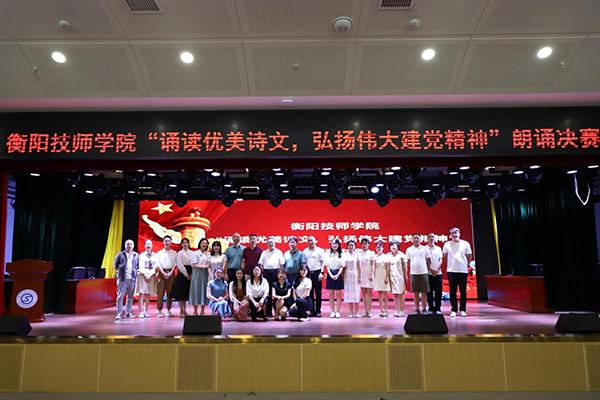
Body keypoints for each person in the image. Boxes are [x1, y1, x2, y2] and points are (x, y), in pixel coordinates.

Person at [443, 227, 473, 318]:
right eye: (453, 233)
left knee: (463, 291)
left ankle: (463, 310)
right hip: (451, 271)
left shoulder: (465, 244)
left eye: (456, 233)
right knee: (452, 291)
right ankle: (454, 310)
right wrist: (450, 265)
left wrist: (466, 265)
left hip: (462, 271)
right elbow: (445, 257)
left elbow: (469, 256)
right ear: (450, 235)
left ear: (459, 234)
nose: (454, 235)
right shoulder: (447, 244)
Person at [257, 237, 284, 316]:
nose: (271, 244)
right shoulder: (264, 253)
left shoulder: (279, 252)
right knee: (267, 292)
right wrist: (261, 275)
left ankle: (277, 311)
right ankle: (268, 312)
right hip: (266, 273)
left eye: (272, 242)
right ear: (267, 244)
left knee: (277, 292)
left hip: (276, 273)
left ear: (275, 243)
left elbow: (282, 265)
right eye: (269, 242)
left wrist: (281, 274)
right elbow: (261, 265)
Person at [406, 233, 431, 315]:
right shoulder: (409, 249)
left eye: (417, 238)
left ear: (420, 239)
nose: (416, 239)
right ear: (412, 239)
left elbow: (429, 261)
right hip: (413, 273)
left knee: (424, 292)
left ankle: (424, 309)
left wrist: (425, 268)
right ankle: (416, 309)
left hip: (423, 273)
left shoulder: (425, 249)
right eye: (414, 238)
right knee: (415, 293)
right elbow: (408, 262)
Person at [113, 239, 139, 319]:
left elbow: (138, 266)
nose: (129, 246)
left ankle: (128, 313)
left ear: (133, 246)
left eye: (131, 244)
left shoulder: (136, 255)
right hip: (122, 279)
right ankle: (119, 313)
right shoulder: (120, 255)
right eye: (127, 244)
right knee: (120, 297)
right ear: (125, 245)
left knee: (130, 297)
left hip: (132, 279)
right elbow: (115, 266)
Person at [136, 239, 158, 318]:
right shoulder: (142, 255)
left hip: (151, 276)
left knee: (148, 294)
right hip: (143, 275)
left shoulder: (155, 255)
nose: (148, 246)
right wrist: (145, 275)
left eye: (150, 244)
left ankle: (145, 311)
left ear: (152, 245)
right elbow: (141, 266)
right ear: (145, 245)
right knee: (141, 293)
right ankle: (140, 312)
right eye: (147, 244)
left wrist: (150, 275)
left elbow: (156, 266)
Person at [171, 237, 193, 317]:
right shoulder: (180, 253)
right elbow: (179, 264)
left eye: (186, 243)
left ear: (189, 244)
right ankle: (181, 310)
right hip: (182, 273)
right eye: (183, 243)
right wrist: (186, 274)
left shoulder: (192, 253)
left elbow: (193, 263)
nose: (185, 244)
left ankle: (185, 310)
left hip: (190, 272)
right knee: (181, 293)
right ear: (181, 244)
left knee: (186, 293)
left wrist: (191, 274)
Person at [304, 235, 325, 318]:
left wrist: (322, 273)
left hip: (317, 272)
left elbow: (322, 262)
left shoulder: (320, 250)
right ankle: (312, 310)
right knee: (310, 293)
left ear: (315, 241)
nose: (310, 242)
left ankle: (318, 311)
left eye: (312, 240)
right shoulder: (305, 251)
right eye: (309, 241)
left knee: (318, 293)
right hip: (308, 274)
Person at [189, 238, 210, 316]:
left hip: (205, 274)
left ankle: (202, 311)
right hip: (196, 274)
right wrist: (203, 266)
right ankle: (195, 311)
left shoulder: (208, 254)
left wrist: (206, 266)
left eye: (206, 243)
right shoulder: (195, 253)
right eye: (203, 243)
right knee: (196, 291)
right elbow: (193, 264)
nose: (204, 244)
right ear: (200, 244)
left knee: (203, 291)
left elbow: (208, 264)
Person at [324, 238, 345, 318]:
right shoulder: (328, 254)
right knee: (331, 294)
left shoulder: (341, 254)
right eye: (333, 244)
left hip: (338, 274)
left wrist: (338, 274)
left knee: (338, 294)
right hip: (330, 274)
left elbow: (342, 266)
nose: (334, 245)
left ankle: (338, 311)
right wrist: (331, 275)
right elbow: (327, 266)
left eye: (336, 244)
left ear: (338, 245)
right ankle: (332, 311)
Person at [388, 241, 408, 317]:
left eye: (394, 245)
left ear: (398, 246)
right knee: (395, 294)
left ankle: (402, 310)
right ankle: (397, 310)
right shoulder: (388, 255)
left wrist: (405, 275)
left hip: (400, 276)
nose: (393, 247)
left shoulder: (401, 255)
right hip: (391, 277)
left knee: (401, 293)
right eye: (391, 246)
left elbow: (405, 266)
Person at [426, 232, 444, 315]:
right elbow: (425, 261)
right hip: (428, 273)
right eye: (429, 237)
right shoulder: (424, 249)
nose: (431, 238)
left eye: (432, 236)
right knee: (429, 292)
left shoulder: (438, 248)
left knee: (438, 292)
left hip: (438, 273)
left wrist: (436, 269)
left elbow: (441, 260)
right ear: (427, 238)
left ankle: (438, 308)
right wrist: (431, 269)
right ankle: (430, 308)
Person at [357, 238, 375, 318]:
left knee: (369, 293)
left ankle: (369, 311)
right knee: (363, 293)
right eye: (363, 244)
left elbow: (373, 264)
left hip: (369, 274)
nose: (364, 245)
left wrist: (371, 274)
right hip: (361, 274)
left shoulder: (371, 253)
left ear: (368, 244)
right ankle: (365, 311)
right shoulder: (358, 253)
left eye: (366, 244)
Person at [343, 240, 361, 318]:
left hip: (355, 275)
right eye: (349, 245)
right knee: (349, 293)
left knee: (356, 293)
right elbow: (343, 267)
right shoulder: (345, 255)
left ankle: (356, 312)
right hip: (347, 275)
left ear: (354, 247)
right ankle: (351, 312)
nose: (350, 247)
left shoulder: (357, 255)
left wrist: (360, 276)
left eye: (352, 245)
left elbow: (359, 267)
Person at [373, 241, 390, 317]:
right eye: (377, 247)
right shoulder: (375, 256)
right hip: (377, 275)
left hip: (384, 275)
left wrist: (386, 277)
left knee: (385, 292)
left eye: (380, 247)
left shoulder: (385, 256)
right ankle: (381, 309)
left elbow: (387, 267)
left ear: (383, 248)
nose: (378, 248)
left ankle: (386, 309)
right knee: (379, 293)